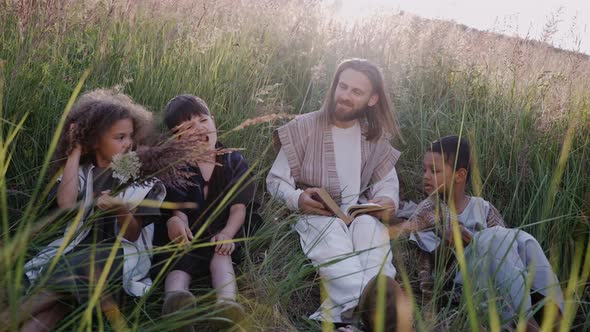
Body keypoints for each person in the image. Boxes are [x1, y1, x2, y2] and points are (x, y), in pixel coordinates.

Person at [267, 58, 408, 329]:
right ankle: (373, 312)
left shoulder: (373, 137)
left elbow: (388, 184)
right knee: (330, 234)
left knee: (370, 228)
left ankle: (368, 310)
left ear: (372, 98)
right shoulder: (304, 126)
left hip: (357, 215)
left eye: (356, 91)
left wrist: (387, 201)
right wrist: (297, 199)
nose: (345, 95)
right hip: (316, 214)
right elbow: (275, 181)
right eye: (342, 87)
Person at [16, 89, 165, 331]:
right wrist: (75, 151)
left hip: (117, 257)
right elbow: (66, 204)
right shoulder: (83, 173)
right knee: (55, 306)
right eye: (119, 137)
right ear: (95, 140)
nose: (128, 143)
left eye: (130, 136)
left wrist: (120, 209)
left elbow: (132, 235)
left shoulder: (140, 175)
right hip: (79, 250)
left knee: (72, 271)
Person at [390, 135, 564, 331]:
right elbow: (430, 269)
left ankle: (555, 315)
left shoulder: (484, 208)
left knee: (524, 240)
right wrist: (449, 243)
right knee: (491, 240)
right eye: (424, 170)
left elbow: (507, 251)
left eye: (435, 171)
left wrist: (483, 240)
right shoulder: (429, 211)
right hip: (461, 283)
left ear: (459, 175)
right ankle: (526, 322)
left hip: (499, 279)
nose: (426, 176)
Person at [152, 95, 256, 331]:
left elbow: (238, 207)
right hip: (189, 231)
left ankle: (226, 304)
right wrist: (176, 222)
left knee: (222, 255)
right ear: (177, 138)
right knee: (178, 258)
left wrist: (228, 234)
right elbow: (179, 209)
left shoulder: (233, 160)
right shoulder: (177, 166)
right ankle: (176, 302)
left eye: (202, 120)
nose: (199, 129)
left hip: (222, 228)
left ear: (213, 121)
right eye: (188, 127)